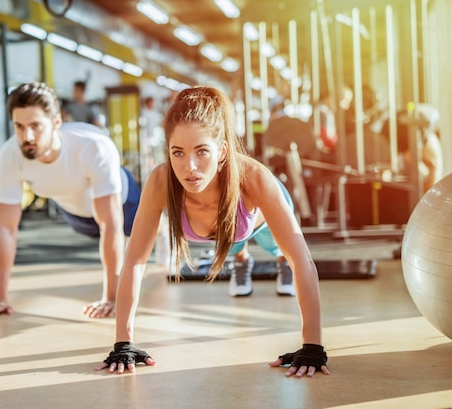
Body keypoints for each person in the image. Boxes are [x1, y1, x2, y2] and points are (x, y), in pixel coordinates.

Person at [95, 86, 329, 377]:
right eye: (177, 152)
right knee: (231, 244)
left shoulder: (253, 178)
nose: (189, 167)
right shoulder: (160, 180)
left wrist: (312, 346)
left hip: (258, 221)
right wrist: (123, 343)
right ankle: (241, 260)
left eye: (202, 151)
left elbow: (303, 261)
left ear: (222, 152)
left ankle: (266, 258)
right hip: (224, 233)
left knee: (282, 253)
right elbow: (135, 262)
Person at [0, 82, 140, 319]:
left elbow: (111, 223)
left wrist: (111, 298)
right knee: (95, 230)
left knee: (138, 233)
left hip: (123, 201)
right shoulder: (10, 155)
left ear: (56, 123)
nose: (27, 136)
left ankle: (163, 228)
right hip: (74, 210)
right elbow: (4, 226)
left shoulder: (92, 147)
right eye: (19, 127)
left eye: (36, 126)